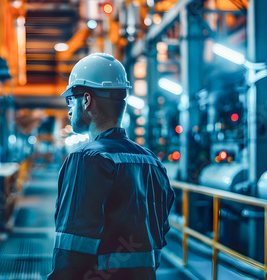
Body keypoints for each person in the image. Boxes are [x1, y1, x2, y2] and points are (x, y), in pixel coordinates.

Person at [48, 53, 175, 280]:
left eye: (71, 99)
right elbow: (160, 233)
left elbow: (71, 250)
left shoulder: (87, 159)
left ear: (86, 100)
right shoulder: (152, 163)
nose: (68, 109)